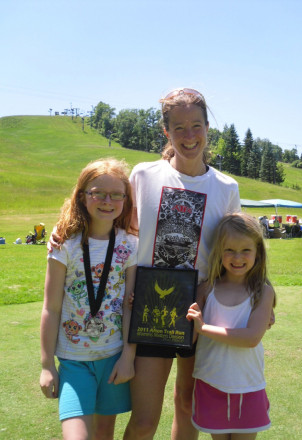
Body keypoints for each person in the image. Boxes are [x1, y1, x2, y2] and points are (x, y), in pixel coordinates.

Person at [123, 87, 242, 440]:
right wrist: (66, 233)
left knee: (187, 407)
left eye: (196, 126)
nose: (189, 136)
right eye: (179, 128)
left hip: (200, 310)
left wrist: (264, 296)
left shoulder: (226, 187)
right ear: (166, 132)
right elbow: (118, 232)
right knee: (144, 420)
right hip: (148, 310)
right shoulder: (143, 176)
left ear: (208, 127)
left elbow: (240, 250)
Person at [40, 158, 138, 440]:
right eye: (98, 193)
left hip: (114, 358)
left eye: (116, 194)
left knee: (104, 435)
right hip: (74, 361)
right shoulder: (64, 245)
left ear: (125, 199)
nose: (108, 201)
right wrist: (47, 366)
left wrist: (128, 356)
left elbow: (131, 306)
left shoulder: (129, 245)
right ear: (82, 196)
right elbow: (51, 307)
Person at [187, 213, 276, 439]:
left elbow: (251, 338)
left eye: (245, 250)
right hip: (210, 382)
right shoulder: (206, 289)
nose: (237, 257)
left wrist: (204, 327)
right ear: (219, 250)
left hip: (248, 386)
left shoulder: (263, 293)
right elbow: (188, 339)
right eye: (229, 250)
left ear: (258, 251)